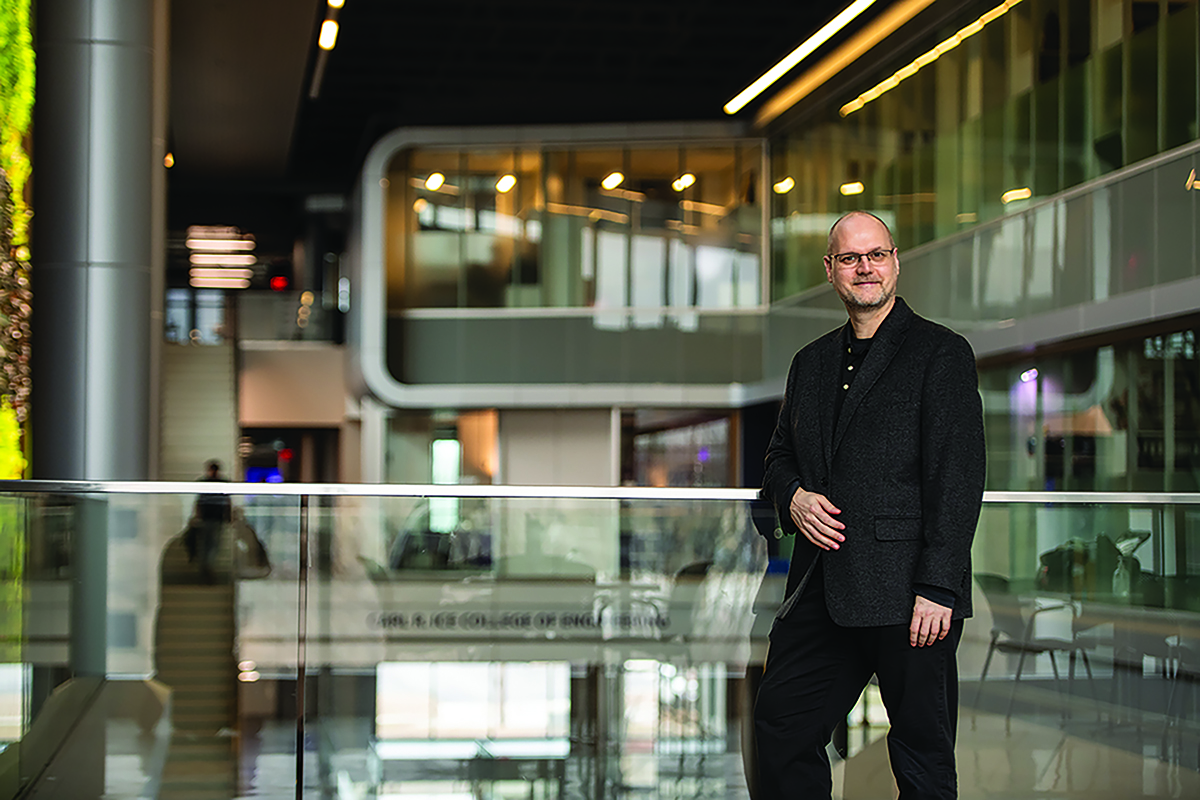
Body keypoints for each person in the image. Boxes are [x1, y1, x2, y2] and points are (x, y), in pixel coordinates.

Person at [754, 211, 985, 799]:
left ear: (895, 262)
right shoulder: (811, 362)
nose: (865, 268)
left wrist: (939, 588)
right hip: (823, 587)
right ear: (831, 270)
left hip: (910, 593)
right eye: (851, 258)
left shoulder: (941, 353)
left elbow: (958, 479)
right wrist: (795, 497)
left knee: (920, 755)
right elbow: (779, 457)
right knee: (782, 730)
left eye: (875, 255)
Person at [191, 459, 232, 583]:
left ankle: (208, 567)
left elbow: (226, 502)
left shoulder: (215, 483)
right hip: (208, 518)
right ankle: (206, 568)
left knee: (212, 544)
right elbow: (199, 501)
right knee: (208, 544)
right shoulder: (213, 483)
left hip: (214, 518)